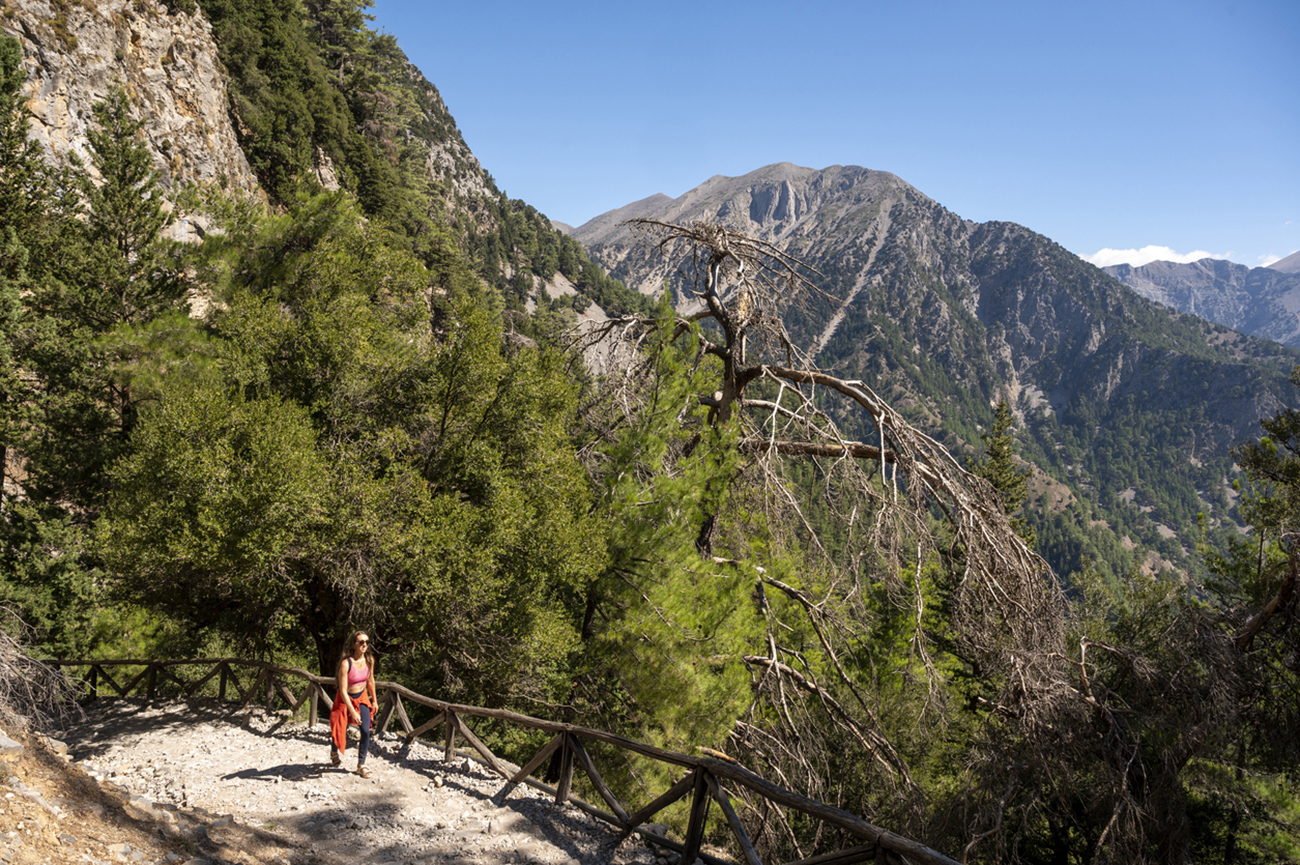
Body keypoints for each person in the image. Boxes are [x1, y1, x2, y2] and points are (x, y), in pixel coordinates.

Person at [329, 630, 377, 777]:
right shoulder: (346, 663)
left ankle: (361, 765)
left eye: (367, 642)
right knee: (339, 728)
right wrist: (352, 710)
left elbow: (370, 680)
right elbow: (343, 691)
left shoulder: (369, 661)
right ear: (354, 644)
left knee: (365, 729)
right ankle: (333, 752)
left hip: (362, 696)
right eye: (361, 642)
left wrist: (374, 699)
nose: (365, 645)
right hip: (345, 698)